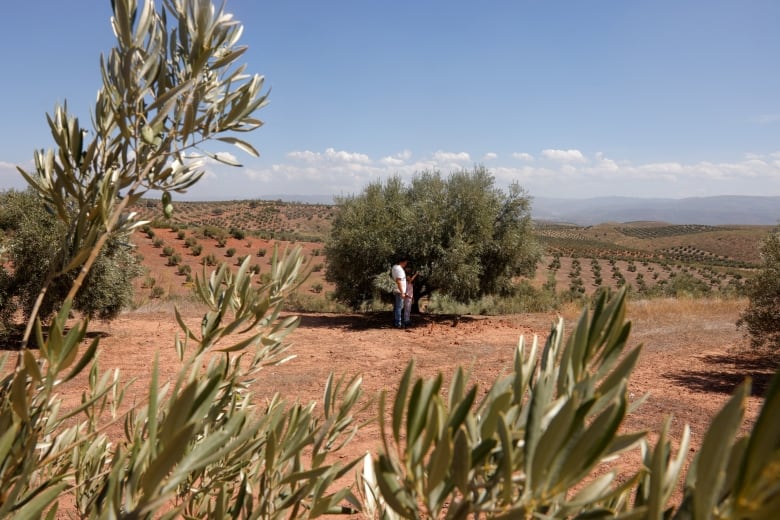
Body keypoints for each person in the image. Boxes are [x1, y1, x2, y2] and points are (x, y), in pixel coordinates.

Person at [391, 257, 409, 328]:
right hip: (399, 291)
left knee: (397, 307)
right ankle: (398, 323)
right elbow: (398, 281)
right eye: (405, 263)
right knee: (399, 307)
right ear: (402, 262)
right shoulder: (399, 269)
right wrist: (402, 292)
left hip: (397, 290)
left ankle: (396, 322)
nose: (406, 264)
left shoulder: (395, 267)